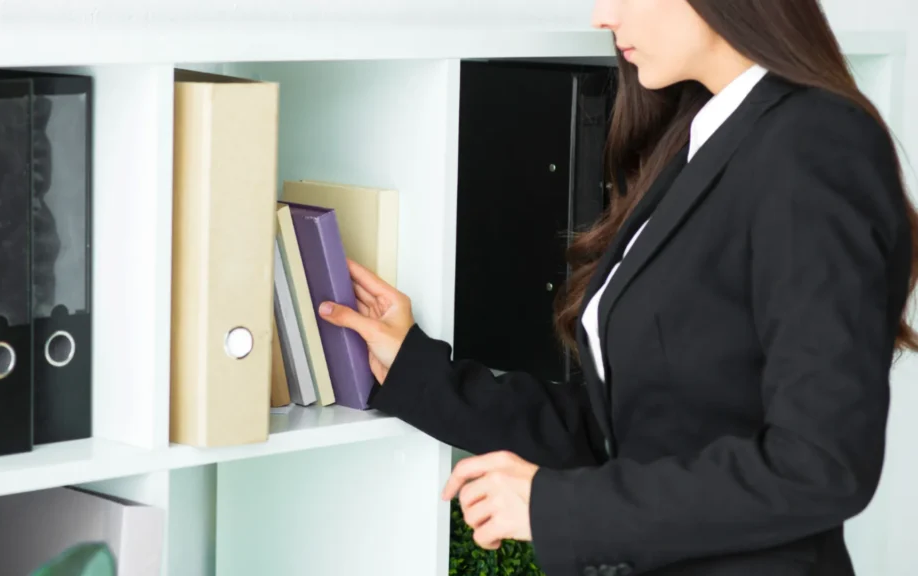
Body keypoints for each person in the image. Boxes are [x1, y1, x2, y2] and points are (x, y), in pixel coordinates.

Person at [318, 0, 918, 574]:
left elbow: (819, 465)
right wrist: (414, 371)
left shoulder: (813, 144)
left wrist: (554, 509)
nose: (602, 16)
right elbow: (622, 432)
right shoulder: (703, 139)